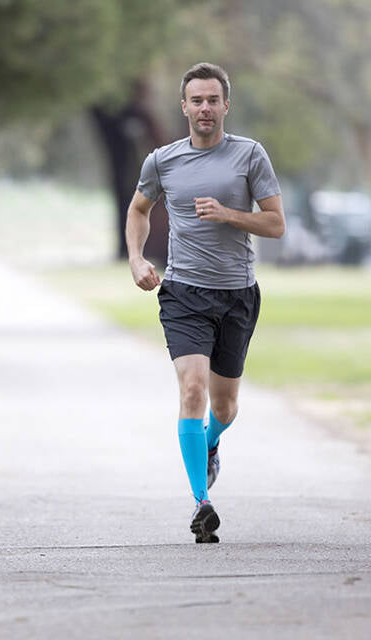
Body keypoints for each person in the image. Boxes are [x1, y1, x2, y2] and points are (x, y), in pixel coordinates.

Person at [125, 62, 285, 543]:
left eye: (213, 100)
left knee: (227, 406)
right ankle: (202, 504)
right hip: (183, 293)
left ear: (225, 105)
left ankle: (210, 443)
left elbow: (275, 224)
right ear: (184, 107)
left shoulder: (250, 156)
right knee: (191, 389)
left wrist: (230, 215)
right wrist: (135, 258)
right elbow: (138, 209)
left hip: (237, 293)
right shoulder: (162, 160)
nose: (205, 108)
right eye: (196, 100)